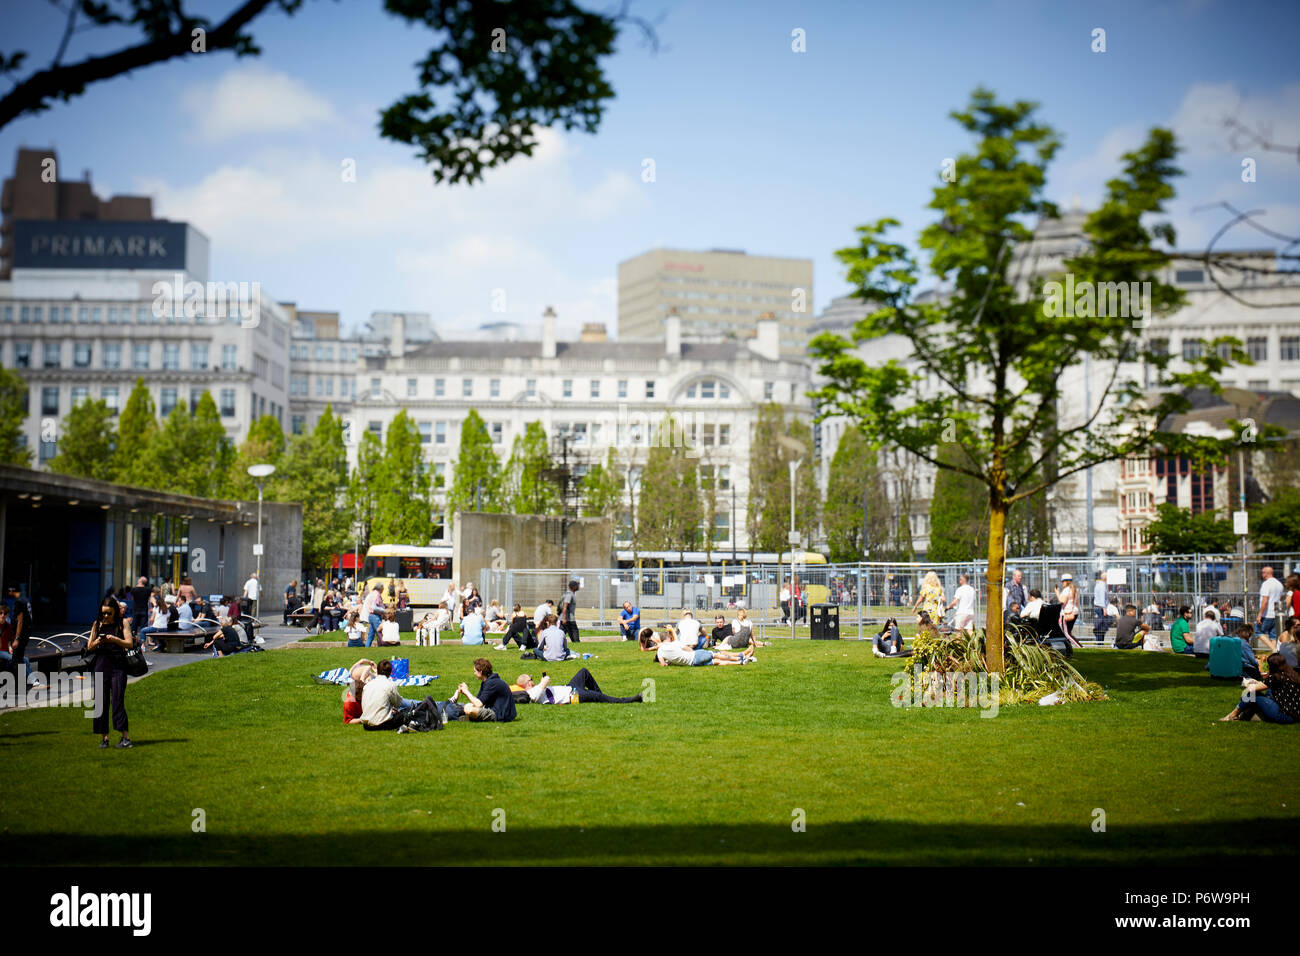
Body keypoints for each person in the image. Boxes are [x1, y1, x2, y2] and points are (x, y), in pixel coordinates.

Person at [87, 596, 135, 749]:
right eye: (104, 613)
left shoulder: (122, 623)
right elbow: (89, 646)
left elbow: (129, 643)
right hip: (101, 666)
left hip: (118, 667)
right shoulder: (97, 624)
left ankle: (125, 738)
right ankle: (104, 738)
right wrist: (98, 641)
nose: (106, 616)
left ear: (115, 611)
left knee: (117, 701)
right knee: (100, 703)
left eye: (109, 613)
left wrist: (115, 640)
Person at [1220, 654, 1300, 723]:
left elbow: (1251, 689)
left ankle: (1233, 714)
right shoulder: (1292, 674)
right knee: (1267, 692)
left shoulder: (1275, 677)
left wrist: (1246, 683)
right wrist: (1255, 682)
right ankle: (1246, 713)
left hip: (1283, 715)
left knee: (1251, 695)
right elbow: (1264, 684)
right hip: (1295, 714)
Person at [515, 669, 643, 705]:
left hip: (569, 687)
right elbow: (535, 696)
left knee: (583, 672)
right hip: (572, 696)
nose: (533, 680)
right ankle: (629, 700)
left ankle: (600, 698)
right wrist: (544, 682)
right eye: (530, 679)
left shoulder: (534, 688)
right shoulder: (530, 693)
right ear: (528, 683)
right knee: (597, 696)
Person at [359, 659, 420, 731]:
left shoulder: (367, 686)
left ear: (377, 671)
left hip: (366, 726)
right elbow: (398, 704)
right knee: (406, 712)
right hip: (382, 724)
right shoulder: (390, 685)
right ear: (390, 672)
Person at [1257, 566, 1285, 644]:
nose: (1262, 574)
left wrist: (1260, 614)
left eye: (1263, 572)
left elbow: (1265, 600)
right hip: (1275, 613)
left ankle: (1273, 649)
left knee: (1258, 632)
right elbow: (1280, 598)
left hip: (1267, 614)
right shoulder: (1279, 584)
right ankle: (1274, 654)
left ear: (1267, 573)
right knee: (1273, 636)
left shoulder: (1266, 584)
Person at [1056, 573, 1079, 639]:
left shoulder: (1066, 590)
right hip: (1074, 612)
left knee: (1066, 633)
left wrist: (1057, 593)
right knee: (1068, 632)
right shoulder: (1074, 589)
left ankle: (1080, 646)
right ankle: (1068, 646)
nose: (1062, 583)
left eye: (1063, 581)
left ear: (1066, 581)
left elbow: (1062, 601)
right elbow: (1077, 602)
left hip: (1067, 613)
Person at [559, 579, 581, 644]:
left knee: (560, 634)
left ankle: (555, 644)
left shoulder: (569, 594)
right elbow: (565, 606)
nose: (578, 587)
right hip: (568, 619)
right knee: (575, 636)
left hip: (565, 619)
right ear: (574, 587)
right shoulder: (569, 595)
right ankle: (577, 645)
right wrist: (564, 618)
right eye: (577, 585)